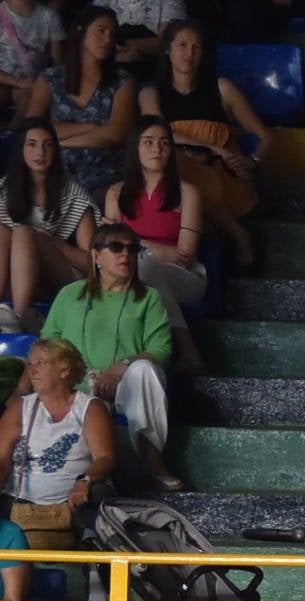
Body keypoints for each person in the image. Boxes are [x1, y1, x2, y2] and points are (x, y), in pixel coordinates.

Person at [41, 225, 178, 485]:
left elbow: (162, 350)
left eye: (132, 248)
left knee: (145, 370)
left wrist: (122, 366)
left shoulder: (148, 298)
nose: (125, 254)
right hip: (78, 385)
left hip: (126, 385)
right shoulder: (70, 294)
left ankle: (152, 458)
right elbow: (47, 344)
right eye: (116, 247)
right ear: (96, 256)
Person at [140, 21, 267, 243]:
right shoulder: (151, 93)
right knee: (179, 167)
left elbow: (266, 137)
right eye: (182, 45)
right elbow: (159, 132)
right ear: (168, 49)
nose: (189, 53)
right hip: (173, 178)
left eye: (196, 47)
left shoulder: (222, 89)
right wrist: (211, 147)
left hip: (223, 176)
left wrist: (253, 160)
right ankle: (238, 234)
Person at [0, 336, 112, 550]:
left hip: (71, 502)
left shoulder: (90, 408)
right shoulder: (18, 407)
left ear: (64, 369)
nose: (32, 370)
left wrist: (85, 481)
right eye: (30, 364)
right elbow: (2, 458)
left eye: (40, 363)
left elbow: (105, 458)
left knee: (100, 495)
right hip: (18, 501)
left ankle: (96, 575)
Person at [99, 117, 209, 315]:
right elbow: (112, 253)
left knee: (143, 270)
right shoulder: (116, 193)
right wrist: (159, 250)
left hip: (183, 276)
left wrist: (131, 241)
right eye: (148, 142)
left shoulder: (188, 193)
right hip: (129, 271)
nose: (157, 149)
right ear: (135, 148)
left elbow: (183, 258)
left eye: (164, 143)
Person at [27, 8, 132, 206]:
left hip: (104, 174)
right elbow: (33, 130)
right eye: (100, 31)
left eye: (112, 34)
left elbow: (115, 134)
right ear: (80, 31)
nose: (107, 39)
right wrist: (92, 128)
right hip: (53, 170)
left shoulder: (122, 82)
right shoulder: (50, 78)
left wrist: (61, 141)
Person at [4, 117, 95, 309]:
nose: (40, 152)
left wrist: (55, 243)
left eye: (48, 145)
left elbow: (93, 263)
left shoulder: (72, 192)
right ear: (20, 149)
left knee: (23, 233)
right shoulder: (4, 188)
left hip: (59, 275)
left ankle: (22, 318)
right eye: (32, 144)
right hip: (13, 276)